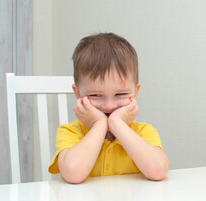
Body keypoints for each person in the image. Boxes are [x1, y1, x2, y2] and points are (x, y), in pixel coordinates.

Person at [48, 32, 169, 183]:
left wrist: (116, 123)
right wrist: (98, 124)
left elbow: (158, 171)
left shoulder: (143, 132)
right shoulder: (70, 132)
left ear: (135, 92)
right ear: (78, 93)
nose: (109, 106)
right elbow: (73, 174)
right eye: (96, 96)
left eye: (120, 93)